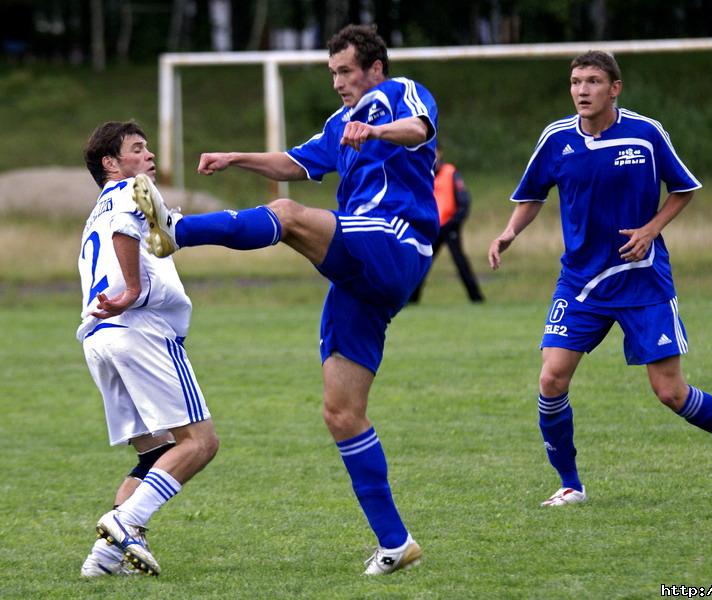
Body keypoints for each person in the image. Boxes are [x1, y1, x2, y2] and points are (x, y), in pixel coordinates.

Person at [132, 24, 436, 574]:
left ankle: (176, 231)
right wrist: (235, 158)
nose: (340, 83)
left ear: (374, 69)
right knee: (342, 413)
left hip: (394, 240)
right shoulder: (341, 122)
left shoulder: (399, 93)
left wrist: (376, 131)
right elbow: (296, 165)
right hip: (359, 276)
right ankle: (396, 543)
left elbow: (418, 129)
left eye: (347, 71)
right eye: (334, 74)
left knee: (289, 215)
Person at [488, 51, 712, 506]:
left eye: (593, 81)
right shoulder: (557, 138)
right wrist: (509, 231)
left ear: (614, 88)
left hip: (642, 281)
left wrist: (650, 230)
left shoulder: (645, 133)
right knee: (552, 379)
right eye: (576, 81)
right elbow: (532, 194)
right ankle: (571, 484)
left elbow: (684, 189)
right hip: (581, 282)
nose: (582, 90)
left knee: (670, 392)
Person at [78, 121, 219, 577]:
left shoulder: (95, 211)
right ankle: (125, 521)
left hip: (100, 339)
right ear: (111, 163)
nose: (149, 157)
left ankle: (103, 560)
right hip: (140, 329)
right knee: (200, 443)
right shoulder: (127, 193)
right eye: (137, 149)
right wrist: (133, 289)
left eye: (147, 148)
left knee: (155, 454)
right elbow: (126, 227)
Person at [409, 146, 484, 303]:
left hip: (450, 226)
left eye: (435, 151)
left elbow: (464, 200)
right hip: (432, 227)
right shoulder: (423, 174)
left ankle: (476, 298)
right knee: (423, 262)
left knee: (460, 262)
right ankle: (412, 299)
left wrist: (455, 221)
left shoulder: (450, 172)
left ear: (440, 153)